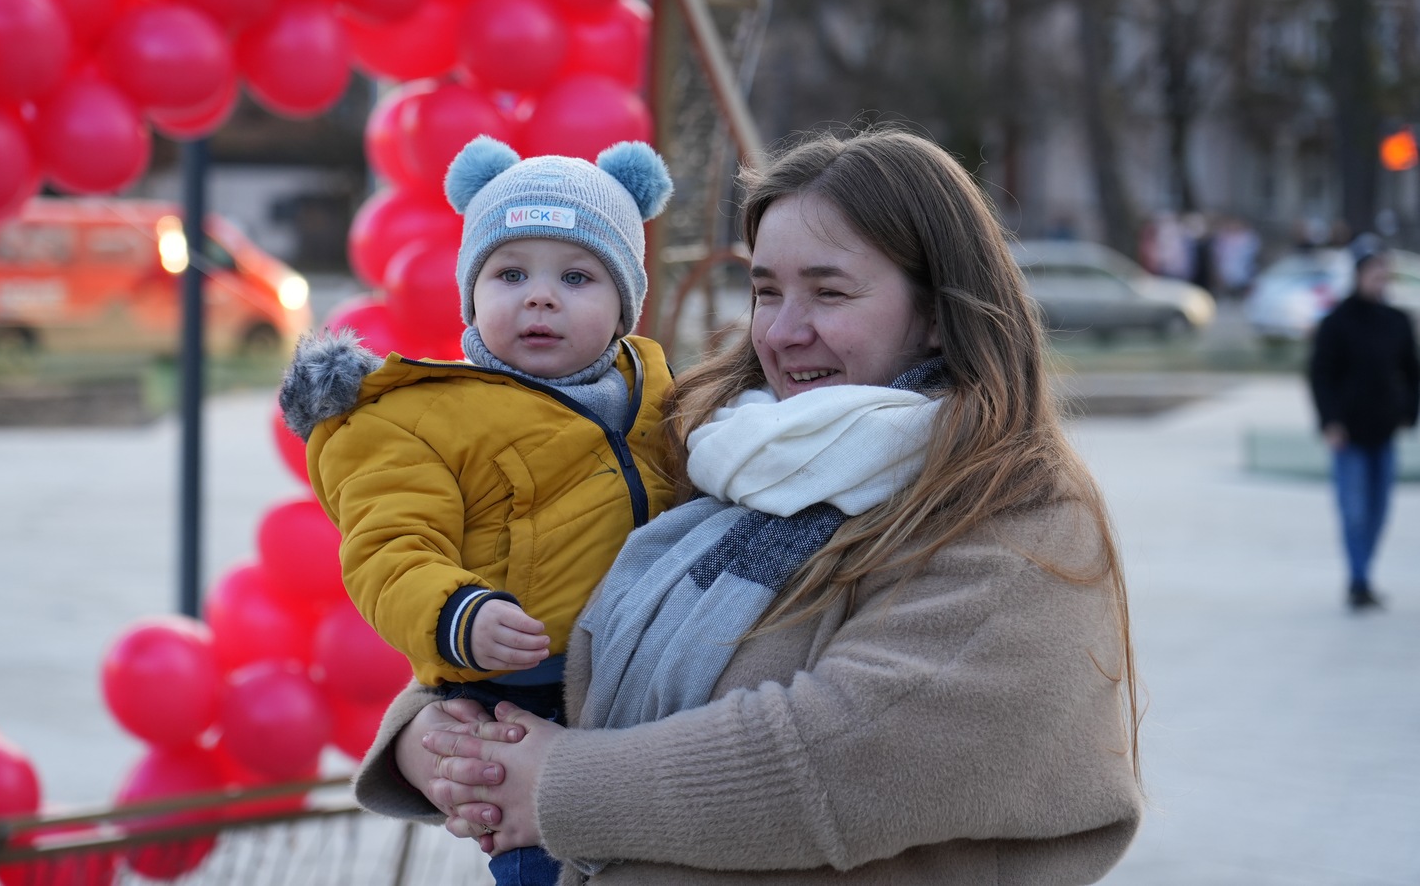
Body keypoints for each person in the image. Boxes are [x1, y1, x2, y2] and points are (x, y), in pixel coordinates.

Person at [354, 128, 1144, 885]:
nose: (784, 331)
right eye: (767, 291)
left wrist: (558, 784)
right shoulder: (724, 456)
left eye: (828, 293)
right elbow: (557, 601)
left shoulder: (1012, 510)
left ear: (938, 312)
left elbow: (851, 752)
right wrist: (433, 734)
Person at [278, 135, 677, 886]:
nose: (540, 295)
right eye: (510, 272)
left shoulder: (661, 399)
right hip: (518, 691)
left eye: (578, 276)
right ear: (471, 291)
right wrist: (458, 613)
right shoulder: (420, 421)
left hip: (648, 690)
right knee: (540, 863)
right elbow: (389, 547)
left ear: (627, 302)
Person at [1308, 234, 1420, 610]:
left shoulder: (1397, 321)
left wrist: (1409, 410)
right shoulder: (1337, 322)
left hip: (1384, 430)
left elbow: (1411, 371)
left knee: (1377, 511)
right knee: (1353, 511)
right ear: (1357, 274)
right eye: (1373, 272)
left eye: (1384, 273)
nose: (1380, 279)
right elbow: (1320, 375)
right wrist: (1330, 421)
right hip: (1349, 434)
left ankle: (1364, 573)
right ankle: (1358, 580)